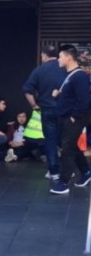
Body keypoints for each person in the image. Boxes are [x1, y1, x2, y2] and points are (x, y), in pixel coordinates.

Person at [49, 45, 91, 195]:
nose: (58, 59)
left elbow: (84, 100)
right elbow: (70, 96)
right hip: (65, 117)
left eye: (60, 56)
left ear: (68, 57)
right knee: (71, 146)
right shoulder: (69, 75)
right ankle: (86, 172)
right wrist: (57, 94)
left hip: (73, 119)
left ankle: (63, 182)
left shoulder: (80, 76)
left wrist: (74, 116)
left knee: (66, 149)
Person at [22, 45, 66, 182]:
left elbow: (27, 90)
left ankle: (54, 171)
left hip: (46, 110)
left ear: (45, 55)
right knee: (67, 141)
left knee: (50, 141)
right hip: (64, 110)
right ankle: (68, 170)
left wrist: (34, 105)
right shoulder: (65, 69)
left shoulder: (39, 70)